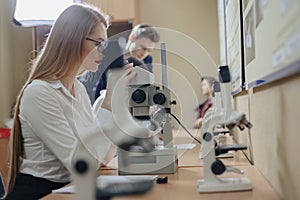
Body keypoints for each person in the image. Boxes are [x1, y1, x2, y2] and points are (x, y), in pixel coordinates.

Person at [5, 4, 136, 199]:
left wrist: (115, 105)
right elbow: (81, 164)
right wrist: (108, 103)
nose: (103, 52)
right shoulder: (39, 93)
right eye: (98, 43)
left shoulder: (79, 90)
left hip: (67, 188)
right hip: (40, 193)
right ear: (72, 40)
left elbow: (102, 158)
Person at [79, 24, 160, 104]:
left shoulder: (147, 59)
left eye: (149, 50)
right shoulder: (111, 53)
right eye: (143, 48)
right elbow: (90, 84)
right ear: (132, 38)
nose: (144, 53)